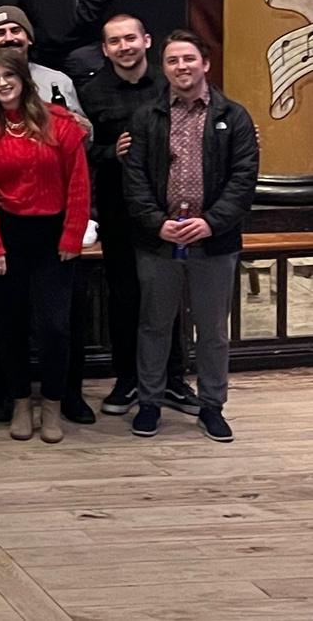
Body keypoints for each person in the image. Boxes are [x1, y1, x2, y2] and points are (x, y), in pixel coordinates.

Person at [123, 32, 258, 443]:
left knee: (213, 330)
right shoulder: (146, 117)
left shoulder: (234, 117)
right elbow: (134, 178)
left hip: (214, 240)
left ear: (205, 63)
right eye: (172, 61)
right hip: (159, 240)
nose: (181, 67)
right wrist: (156, 222)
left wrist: (212, 222)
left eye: (188, 59)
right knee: (154, 325)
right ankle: (150, 402)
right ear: (163, 68)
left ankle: (212, 406)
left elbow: (243, 179)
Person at [0, 47, 90, 444]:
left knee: (55, 327)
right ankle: (20, 401)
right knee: (10, 326)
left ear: (23, 78)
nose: (2, 84)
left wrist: (72, 236)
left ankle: (51, 403)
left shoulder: (60, 122)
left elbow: (79, 183)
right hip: (8, 237)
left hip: (54, 237)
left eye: (8, 75)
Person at [78, 15, 193, 417]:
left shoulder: (168, 83)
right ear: (105, 49)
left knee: (169, 294)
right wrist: (112, 152)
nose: (124, 46)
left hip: (167, 207)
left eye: (130, 38)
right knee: (124, 295)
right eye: (115, 41)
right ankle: (127, 378)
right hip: (118, 209)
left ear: (146, 40)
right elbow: (83, 151)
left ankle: (173, 379)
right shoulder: (91, 92)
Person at [0, 8, 85, 128]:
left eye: (15, 30)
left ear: (29, 39)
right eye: (0, 33)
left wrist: (80, 127)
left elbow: (85, 136)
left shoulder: (59, 81)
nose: (8, 38)